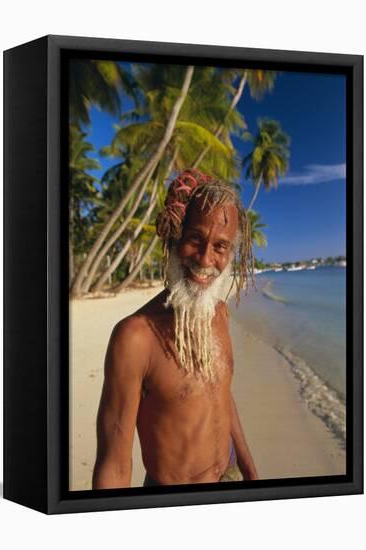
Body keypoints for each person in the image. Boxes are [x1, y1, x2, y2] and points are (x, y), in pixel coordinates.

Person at [92, 169, 258, 488]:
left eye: (220, 247)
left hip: (231, 471)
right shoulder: (135, 338)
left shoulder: (219, 313)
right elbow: (113, 462)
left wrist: (250, 469)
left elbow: (221, 393)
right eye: (195, 239)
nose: (206, 259)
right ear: (174, 237)